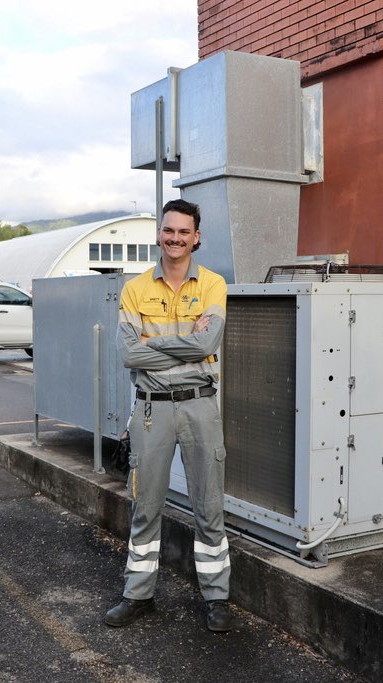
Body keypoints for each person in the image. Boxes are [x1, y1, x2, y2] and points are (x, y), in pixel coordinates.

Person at [104, 198, 232, 632]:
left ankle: (217, 597)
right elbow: (127, 353)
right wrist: (178, 343)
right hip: (150, 412)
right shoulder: (135, 288)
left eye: (183, 232)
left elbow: (206, 345)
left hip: (199, 406)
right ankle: (137, 595)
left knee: (209, 506)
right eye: (168, 230)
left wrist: (151, 346)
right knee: (145, 505)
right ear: (159, 233)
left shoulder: (214, 285)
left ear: (197, 237)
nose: (175, 238)